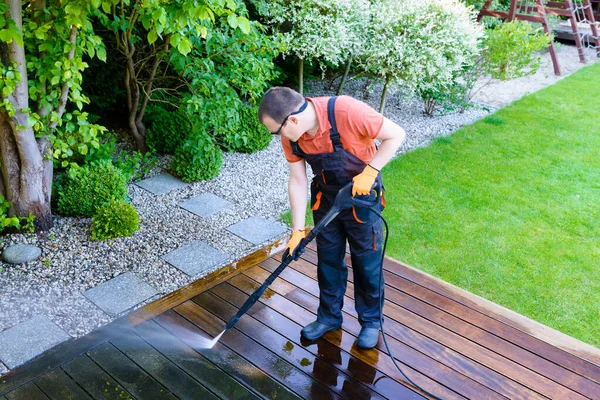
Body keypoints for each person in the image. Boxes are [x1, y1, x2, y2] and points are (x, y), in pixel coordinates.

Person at [258, 87, 405, 349]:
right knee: (328, 262)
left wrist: (370, 172)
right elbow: (298, 179)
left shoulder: (347, 111)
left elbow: (396, 134)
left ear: (292, 119)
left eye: (276, 131)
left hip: (362, 201)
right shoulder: (292, 136)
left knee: (366, 263)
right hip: (326, 201)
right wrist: (296, 230)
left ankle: (371, 322)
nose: (277, 137)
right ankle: (328, 318)